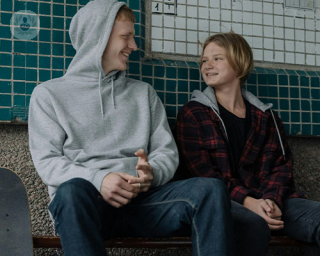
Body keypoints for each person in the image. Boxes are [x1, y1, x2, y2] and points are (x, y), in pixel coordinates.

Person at [28, 1, 236, 255]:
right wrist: (100, 179)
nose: (133, 46)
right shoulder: (48, 94)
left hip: (145, 205)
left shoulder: (144, 93)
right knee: (71, 192)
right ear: (98, 39)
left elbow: (166, 152)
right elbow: (48, 162)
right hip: (90, 207)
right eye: (125, 37)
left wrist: (152, 174)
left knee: (210, 189)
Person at [174, 32, 320, 256]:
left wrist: (271, 200)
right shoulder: (193, 113)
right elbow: (203, 176)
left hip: (273, 201)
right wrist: (248, 202)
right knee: (251, 225)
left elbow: (281, 166)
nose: (207, 66)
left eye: (217, 58)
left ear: (239, 63)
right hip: (224, 203)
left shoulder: (266, 116)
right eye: (204, 60)